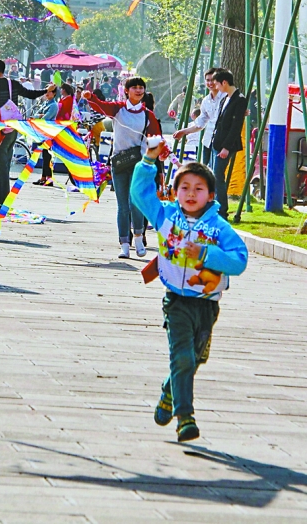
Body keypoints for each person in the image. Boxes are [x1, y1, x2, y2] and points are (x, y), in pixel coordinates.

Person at [131, 144, 247, 442]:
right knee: (181, 356)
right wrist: (148, 160)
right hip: (176, 303)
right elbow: (140, 194)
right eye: (184, 187)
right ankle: (185, 418)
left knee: (193, 360)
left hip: (207, 306)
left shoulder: (220, 229)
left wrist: (206, 254)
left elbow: (239, 260)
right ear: (175, 191)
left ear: (211, 194)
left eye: (199, 188)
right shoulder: (166, 217)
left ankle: (170, 392)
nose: (191, 194)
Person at [83, 76, 161, 259]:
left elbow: (156, 137)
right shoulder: (118, 109)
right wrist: (90, 98)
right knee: (122, 206)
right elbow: (100, 106)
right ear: (126, 91)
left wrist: (162, 154)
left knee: (136, 204)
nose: (139, 90)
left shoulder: (147, 114)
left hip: (139, 166)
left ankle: (139, 238)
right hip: (119, 163)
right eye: (134, 87)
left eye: (141, 88)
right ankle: (124, 244)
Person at [0, 59, 48, 213]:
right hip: (12, 127)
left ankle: (2, 203)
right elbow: (30, 95)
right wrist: (46, 90)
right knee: (4, 165)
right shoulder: (13, 84)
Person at [210, 69, 247, 220]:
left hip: (226, 145)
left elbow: (236, 126)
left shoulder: (240, 99)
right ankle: (215, 208)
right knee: (214, 175)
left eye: (217, 84)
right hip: (216, 142)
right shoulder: (225, 98)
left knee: (218, 175)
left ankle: (222, 211)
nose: (216, 87)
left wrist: (226, 147)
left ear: (224, 83)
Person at [173, 68, 225, 167]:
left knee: (218, 174)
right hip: (207, 141)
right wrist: (183, 131)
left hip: (222, 143)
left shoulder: (227, 98)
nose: (210, 83)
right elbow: (200, 124)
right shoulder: (205, 101)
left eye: (213, 80)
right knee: (205, 172)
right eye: (208, 80)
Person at [33, 85, 59, 186]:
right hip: (42, 132)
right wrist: (38, 116)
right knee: (45, 155)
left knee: (47, 156)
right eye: (47, 91)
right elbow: (36, 114)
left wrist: (39, 116)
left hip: (49, 133)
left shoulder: (53, 105)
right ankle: (44, 177)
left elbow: (45, 118)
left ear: (54, 93)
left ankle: (48, 178)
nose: (47, 93)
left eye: (50, 91)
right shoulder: (45, 103)